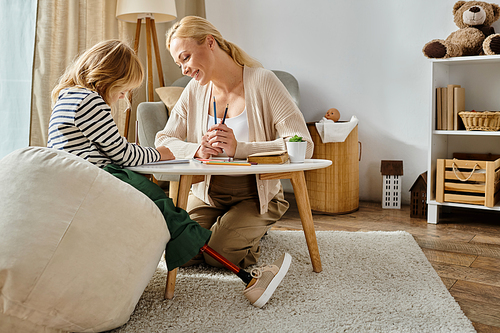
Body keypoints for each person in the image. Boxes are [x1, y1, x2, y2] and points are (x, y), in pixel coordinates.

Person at [46, 39, 291, 308]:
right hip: (102, 179)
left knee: (171, 219)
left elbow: (92, 150)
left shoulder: (66, 98)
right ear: (110, 77)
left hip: (81, 180)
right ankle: (248, 277)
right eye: (124, 88)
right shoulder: (91, 102)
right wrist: (160, 153)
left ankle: (232, 241)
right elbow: (124, 156)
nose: (123, 97)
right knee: (167, 211)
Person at [156, 17, 313, 270]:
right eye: (178, 63)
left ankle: (244, 231)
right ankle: (232, 227)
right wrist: (195, 148)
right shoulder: (194, 90)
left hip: (255, 194)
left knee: (219, 253)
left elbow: (303, 143)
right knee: (180, 254)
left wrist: (240, 148)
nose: (183, 70)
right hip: (208, 194)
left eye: (185, 58)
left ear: (209, 43)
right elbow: (163, 139)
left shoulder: (263, 81)